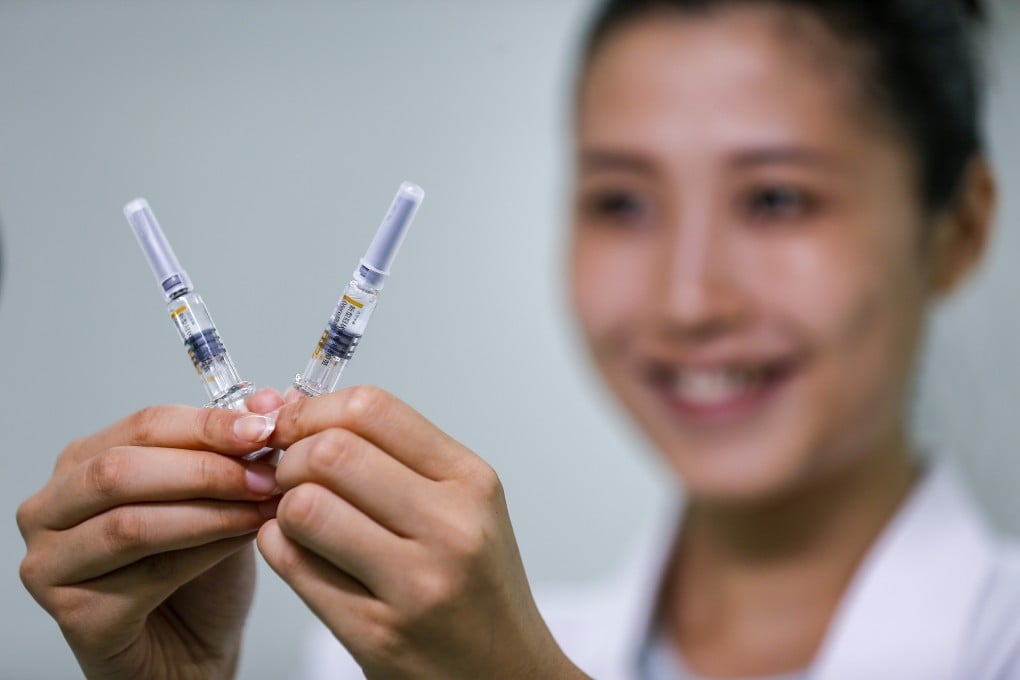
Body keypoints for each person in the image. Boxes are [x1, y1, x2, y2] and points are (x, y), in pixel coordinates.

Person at [17, 0, 1020, 678]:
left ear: (960, 228)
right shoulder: (377, 645)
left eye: (775, 198)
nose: (687, 296)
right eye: (621, 201)